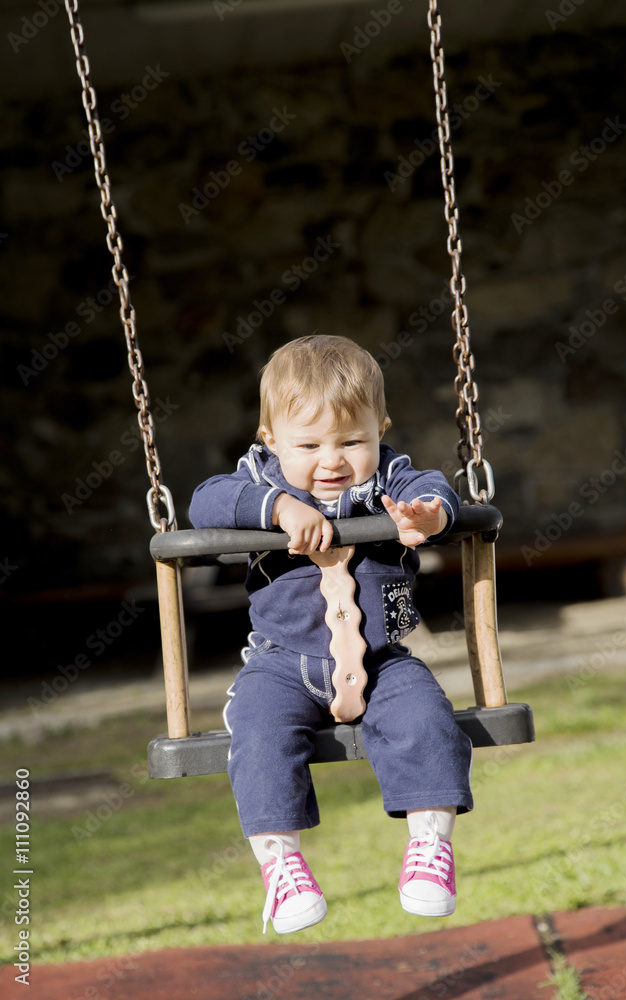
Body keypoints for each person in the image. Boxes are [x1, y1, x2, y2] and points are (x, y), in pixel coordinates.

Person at [189, 335, 473, 934]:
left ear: (381, 428)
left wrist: (431, 515)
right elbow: (204, 502)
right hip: (281, 664)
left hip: (385, 660)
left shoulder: (392, 477)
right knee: (258, 733)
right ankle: (282, 865)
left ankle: (429, 846)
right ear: (271, 441)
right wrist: (278, 510)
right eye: (309, 445)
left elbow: (436, 487)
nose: (332, 460)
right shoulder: (260, 481)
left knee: (428, 720)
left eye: (352, 441)